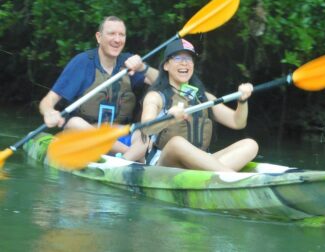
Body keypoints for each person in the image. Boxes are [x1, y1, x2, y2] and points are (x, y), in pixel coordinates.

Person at [39, 16, 158, 161]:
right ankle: (130, 157)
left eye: (121, 35)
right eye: (111, 34)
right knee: (74, 123)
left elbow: (163, 83)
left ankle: (126, 158)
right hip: (86, 137)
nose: (117, 39)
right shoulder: (82, 63)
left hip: (118, 133)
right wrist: (49, 112)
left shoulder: (129, 63)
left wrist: (143, 67)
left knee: (143, 133)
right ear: (99, 37)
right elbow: (48, 100)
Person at [141, 38, 259, 171]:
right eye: (178, 58)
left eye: (189, 59)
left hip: (202, 162)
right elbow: (146, 128)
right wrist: (168, 118)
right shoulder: (156, 96)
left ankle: (214, 175)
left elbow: (237, 122)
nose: (185, 63)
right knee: (177, 143)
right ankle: (230, 177)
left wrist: (242, 101)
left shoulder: (204, 97)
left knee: (250, 145)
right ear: (166, 65)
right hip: (165, 164)